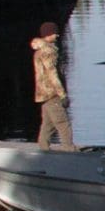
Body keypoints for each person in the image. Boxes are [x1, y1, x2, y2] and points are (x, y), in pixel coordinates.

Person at [31, 21, 76, 150]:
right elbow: (52, 74)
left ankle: (44, 148)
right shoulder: (49, 51)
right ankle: (69, 150)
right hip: (52, 93)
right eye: (55, 33)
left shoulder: (39, 51)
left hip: (42, 93)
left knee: (48, 124)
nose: (57, 35)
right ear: (48, 34)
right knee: (63, 123)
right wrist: (62, 95)